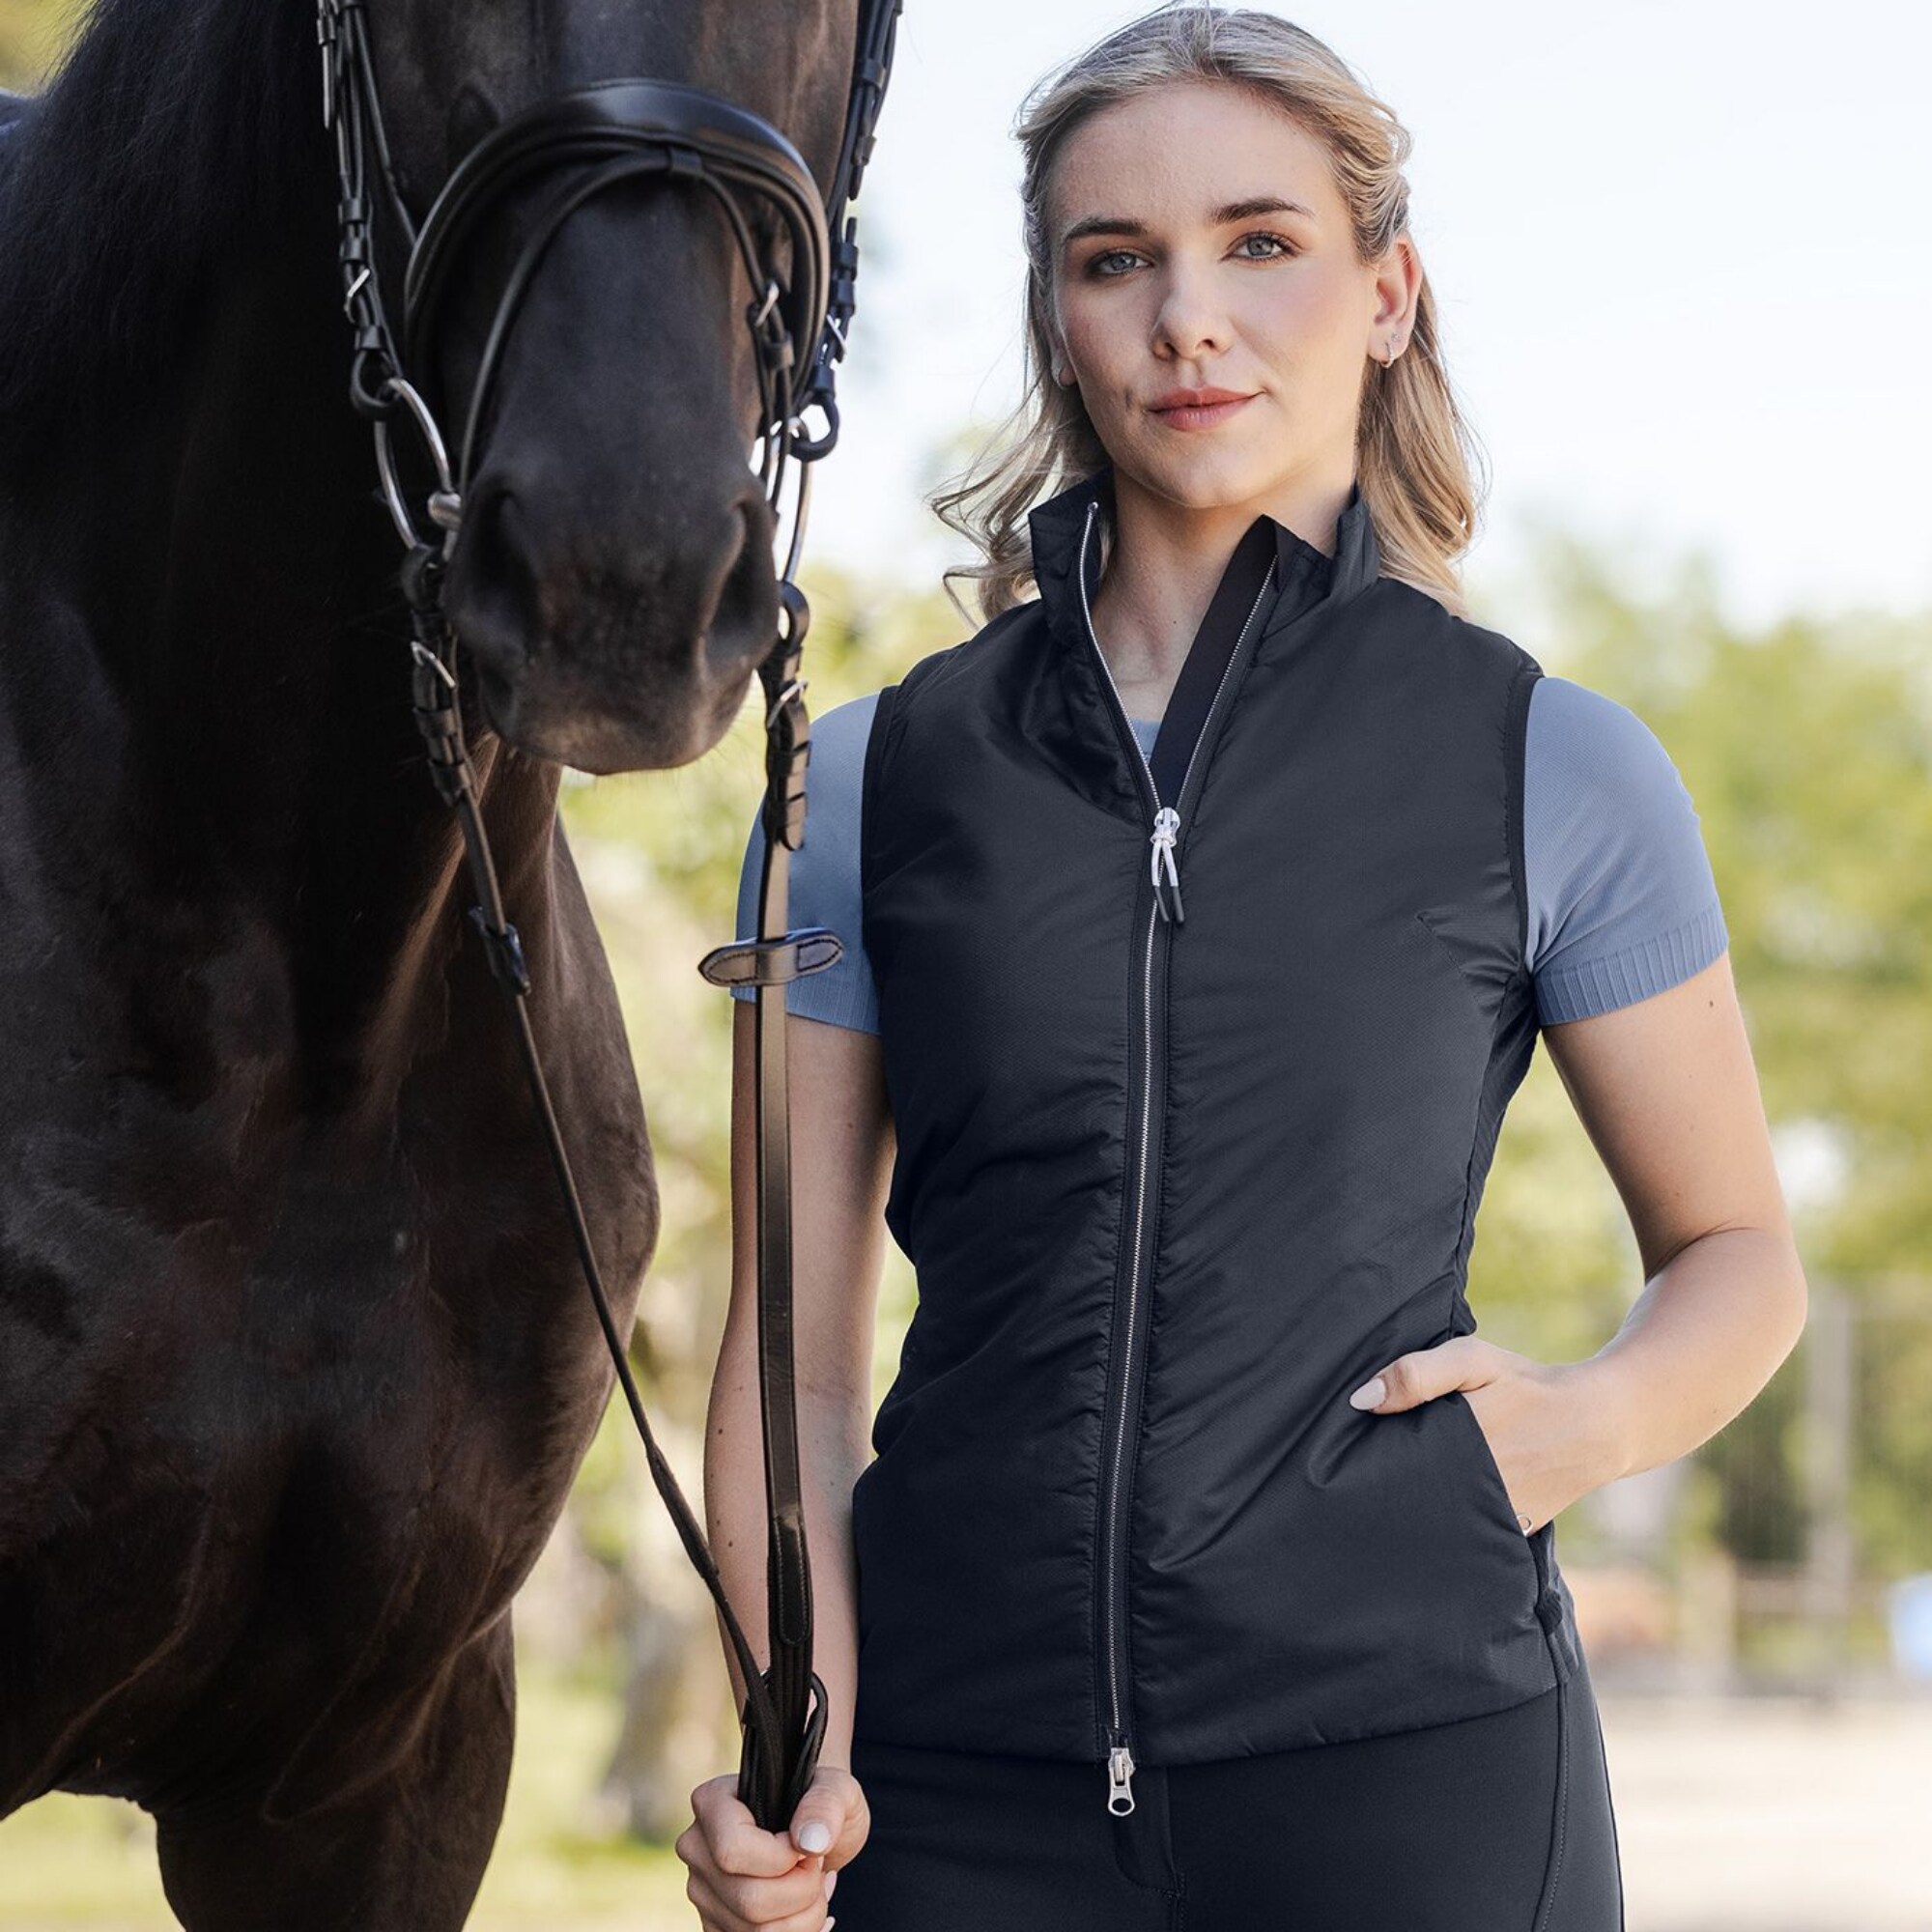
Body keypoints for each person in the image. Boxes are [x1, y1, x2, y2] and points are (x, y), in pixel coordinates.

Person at [675, 7, 1807, 1927]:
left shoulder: (1546, 761)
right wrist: (807, 1752)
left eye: (1260, 242)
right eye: (1116, 260)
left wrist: (1577, 1426)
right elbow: (788, 1367)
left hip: (1416, 1779)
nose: (1188, 319)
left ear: (1387, 295)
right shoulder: (863, 784)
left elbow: (1739, 1254)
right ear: (1059, 321)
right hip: (961, 1797)